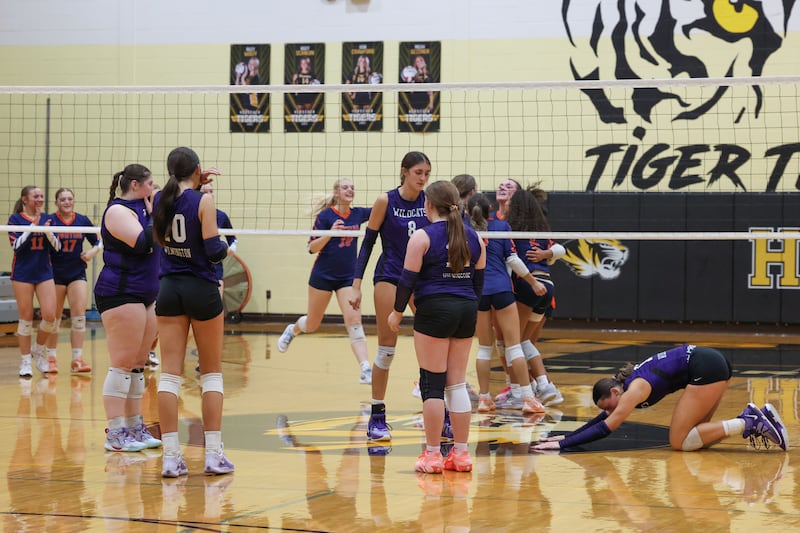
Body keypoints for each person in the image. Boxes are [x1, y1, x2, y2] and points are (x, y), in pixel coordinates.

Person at [388, 180, 486, 473]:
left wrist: (396, 313)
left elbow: (406, 281)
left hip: (434, 310)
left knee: (432, 384)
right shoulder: (474, 237)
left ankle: (432, 455)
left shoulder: (421, 237)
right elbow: (478, 285)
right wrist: (465, 307)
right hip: (467, 310)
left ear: (428, 205)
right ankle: (461, 454)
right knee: (456, 383)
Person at [533, 344, 789, 452]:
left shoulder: (633, 390)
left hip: (705, 367)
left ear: (614, 392)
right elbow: (602, 419)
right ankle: (755, 420)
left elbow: (606, 428)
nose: (610, 412)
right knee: (697, 439)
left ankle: (749, 422)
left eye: (609, 406)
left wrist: (560, 446)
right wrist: (565, 436)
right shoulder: (626, 389)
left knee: (678, 442)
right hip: (709, 362)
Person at [152, 146, 234, 478]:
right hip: (201, 289)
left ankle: (171, 457)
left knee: (169, 374)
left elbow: (160, 237)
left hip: (169, 289)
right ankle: (213, 455)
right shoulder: (204, 201)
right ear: (198, 169)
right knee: (211, 374)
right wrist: (227, 244)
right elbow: (214, 251)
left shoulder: (159, 198)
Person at [350, 151, 431, 442]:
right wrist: (356, 284)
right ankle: (377, 415)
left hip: (421, 277)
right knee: (387, 348)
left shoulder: (429, 201)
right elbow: (368, 243)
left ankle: (436, 408)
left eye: (426, 174)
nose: (422, 179)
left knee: (434, 344)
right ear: (404, 172)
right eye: (418, 173)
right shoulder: (386, 201)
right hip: (391, 275)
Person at [277, 178, 373, 384]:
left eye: (352, 188)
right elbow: (311, 248)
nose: (350, 190)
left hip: (347, 277)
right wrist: (331, 233)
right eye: (345, 187)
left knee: (354, 321)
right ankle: (292, 330)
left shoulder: (358, 214)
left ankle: (365, 368)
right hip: (323, 276)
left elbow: (382, 209)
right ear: (336, 192)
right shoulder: (326, 216)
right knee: (312, 324)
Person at [94, 164, 162, 453]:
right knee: (122, 363)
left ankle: (135, 427)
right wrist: (156, 213)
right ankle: (115, 431)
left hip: (146, 293)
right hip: (120, 292)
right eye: (150, 184)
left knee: (138, 363)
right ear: (135, 185)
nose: (153, 189)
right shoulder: (118, 211)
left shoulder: (145, 210)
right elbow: (142, 243)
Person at [467, 193, 545, 414]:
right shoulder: (501, 226)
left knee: (484, 348)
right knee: (513, 346)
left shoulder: (464, 228)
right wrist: (533, 282)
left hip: (479, 291)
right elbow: (512, 259)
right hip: (501, 289)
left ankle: (484, 399)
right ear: (490, 207)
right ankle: (528, 399)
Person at [45, 187, 102, 374]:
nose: (67, 202)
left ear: (73, 201)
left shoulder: (82, 220)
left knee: (79, 318)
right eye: (63, 199)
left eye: (69, 199)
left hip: (77, 272)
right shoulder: (50, 221)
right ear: (56, 203)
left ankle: (77, 359)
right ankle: (51, 357)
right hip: (55, 274)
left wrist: (92, 252)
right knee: (54, 318)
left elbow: (99, 240)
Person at [8, 185, 60, 377]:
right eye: (35, 196)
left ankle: (38, 350)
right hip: (22, 273)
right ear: (25, 199)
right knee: (26, 319)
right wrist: (33, 227)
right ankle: (25, 362)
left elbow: (58, 247)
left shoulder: (49, 218)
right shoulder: (15, 219)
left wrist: (46, 231)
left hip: (44, 272)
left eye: (41, 196)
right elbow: (16, 247)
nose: (39, 199)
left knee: (49, 316)